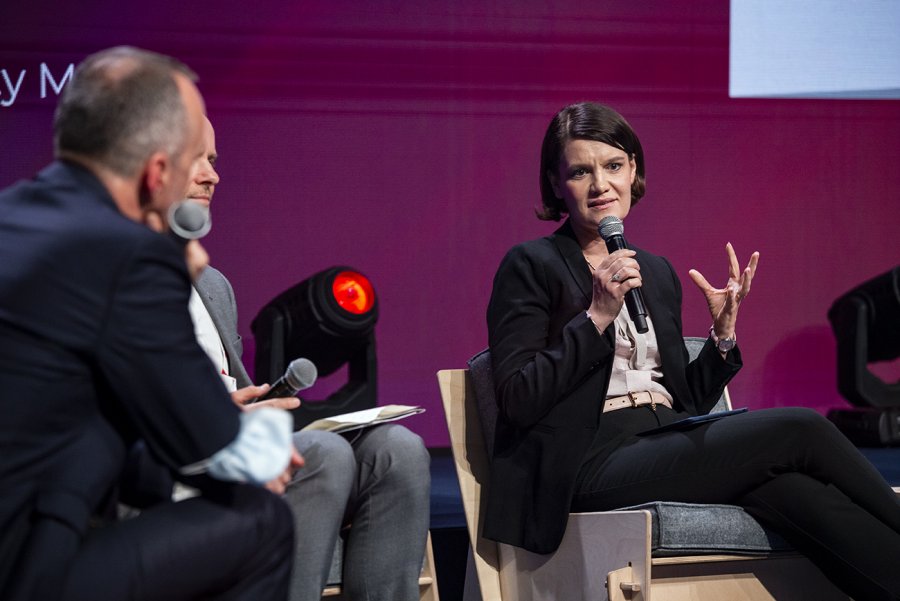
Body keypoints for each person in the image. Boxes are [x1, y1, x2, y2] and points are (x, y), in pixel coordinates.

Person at [483, 101, 900, 600]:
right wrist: (594, 317)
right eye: (580, 171)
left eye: (614, 166)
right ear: (556, 184)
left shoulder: (655, 271)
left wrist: (722, 337)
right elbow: (519, 397)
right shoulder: (532, 264)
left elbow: (687, 402)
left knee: (793, 491)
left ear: (633, 169)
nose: (601, 186)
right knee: (801, 427)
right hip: (585, 461)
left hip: (660, 440)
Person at [0, 47, 296, 601]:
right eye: (192, 159)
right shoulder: (130, 253)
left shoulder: (13, 216)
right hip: (26, 568)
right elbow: (220, 455)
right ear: (159, 172)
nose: (208, 176)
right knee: (262, 521)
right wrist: (261, 447)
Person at [186, 116, 432, 601]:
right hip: (183, 461)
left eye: (213, 160)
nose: (212, 175)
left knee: (398, 450)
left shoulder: (213, 286)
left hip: (235, 447)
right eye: (195, 158)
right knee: (324, 454)